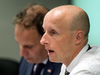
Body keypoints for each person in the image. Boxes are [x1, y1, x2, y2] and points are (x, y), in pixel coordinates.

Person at [40, 5, 100, 75]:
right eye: (44, 31)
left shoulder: (86, 71)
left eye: (53, 32)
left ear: (78, 37)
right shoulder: (69, 61)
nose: (42, 41)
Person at [13, 4, 62, 75]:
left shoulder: (66, 67)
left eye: (29, 46)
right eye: (19, 44)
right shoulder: (27, 60)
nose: (22, 53)